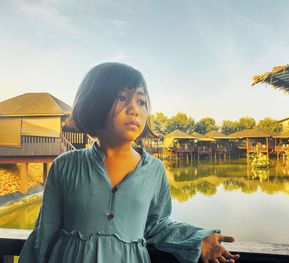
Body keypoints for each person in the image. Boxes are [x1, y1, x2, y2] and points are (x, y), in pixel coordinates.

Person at [19, 62, 240, 263]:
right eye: (122, 98)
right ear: (94, 103)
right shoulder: (66, 165)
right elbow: (44, 232)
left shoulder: (155, 170)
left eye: (141, 101)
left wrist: (197, 239)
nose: (134, 109)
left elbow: (155, 225)